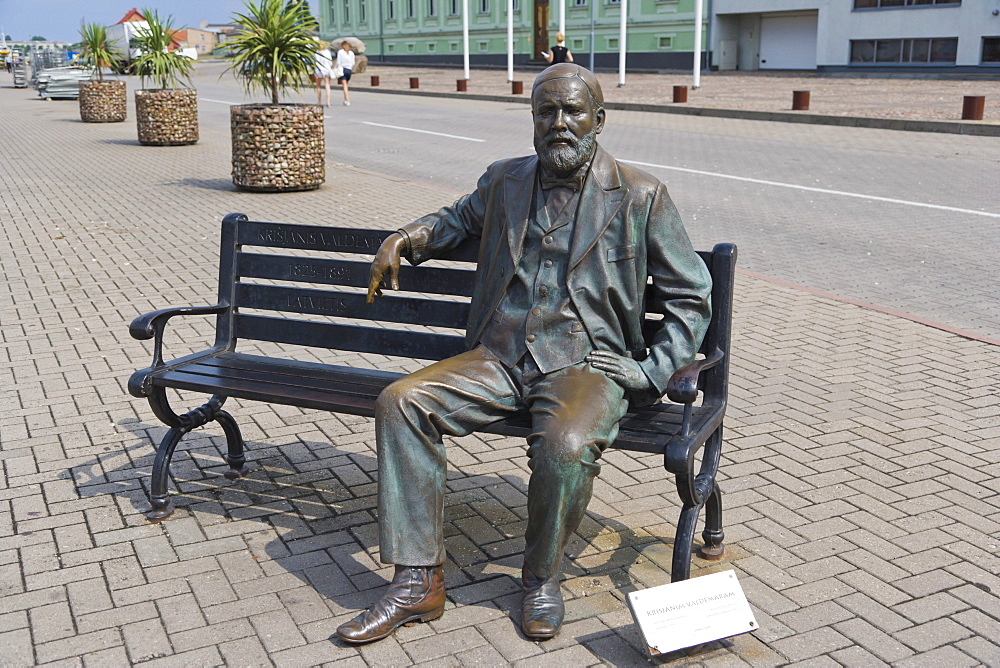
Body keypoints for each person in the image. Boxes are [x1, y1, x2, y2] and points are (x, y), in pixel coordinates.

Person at [336, 63, 712, 645]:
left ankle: (542, 578)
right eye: (546, 111)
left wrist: (649, 371)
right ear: (532, 119)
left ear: (599, 119)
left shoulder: (641, 195)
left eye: (572, 111)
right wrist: (405, 240)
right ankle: (418, 582)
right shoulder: (506, 181)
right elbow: (456, 219)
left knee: (565, 446)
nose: (558, 123)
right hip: (501, 353)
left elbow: (691, 295)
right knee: (402, 402)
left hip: (589, 363)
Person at [313, 41, 334, 107]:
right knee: (327, 86)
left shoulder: (317, 52)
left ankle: (319, 102)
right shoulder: (327, 52)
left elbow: (316, 63)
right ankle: (328, 102)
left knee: (318, 86)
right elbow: (330, 62)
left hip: (319, 71)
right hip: (327, 70)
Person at [336, 40, 355, 106]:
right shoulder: (351, 53)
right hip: (349, 70)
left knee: (344, 86)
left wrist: (337, 68)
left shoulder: (340, 52)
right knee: (346, 84)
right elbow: (353, 63)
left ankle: (347, 99)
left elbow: (338, 62)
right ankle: (345, 99)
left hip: (343, 69)